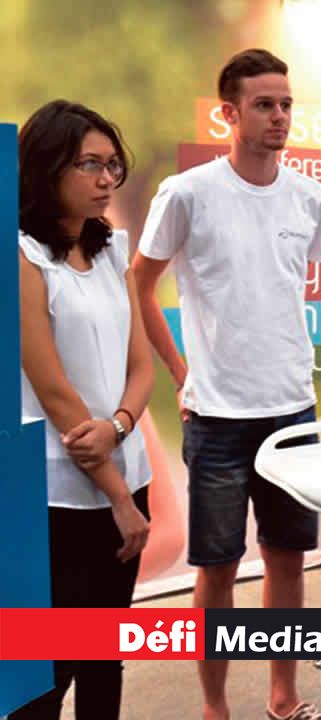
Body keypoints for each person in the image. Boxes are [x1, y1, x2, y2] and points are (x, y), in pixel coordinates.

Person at [132, 49, 321, 720]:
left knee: (287, 562)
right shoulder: (187, 194)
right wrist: (178, 368)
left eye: (286, 104)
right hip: (216, 414)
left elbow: (286, 287)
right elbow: (141, 282)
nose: (279, 116)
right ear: (229, 113)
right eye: (263, 104)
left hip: (293, 409)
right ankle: (215, 707)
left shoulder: (312, 197)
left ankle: (283, 697)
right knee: (215, 568)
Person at [14, 100, 152, 720]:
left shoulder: (111, 250)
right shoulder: (21, 257)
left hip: (130, 470)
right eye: (88, 165)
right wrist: (118, 499)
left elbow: (141, 365)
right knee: (47, 670)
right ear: (46, 170)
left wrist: (119, 425)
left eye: (112, 165)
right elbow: (53, 388)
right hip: (58, 493)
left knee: (105, 653)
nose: (105, 180)